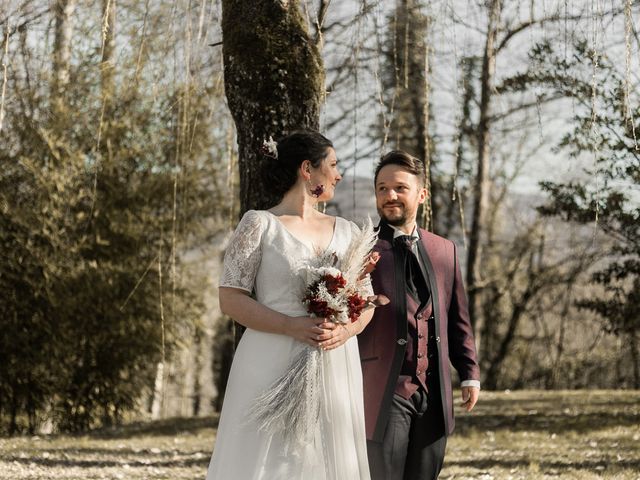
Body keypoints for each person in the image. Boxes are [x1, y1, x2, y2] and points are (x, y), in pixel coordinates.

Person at [206, 130, 373, 479]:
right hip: (269, 356)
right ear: (306, 169)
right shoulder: (260, 225)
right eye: (333, 164)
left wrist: (345, 331)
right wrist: (290, 325)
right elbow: (230, 298)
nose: (339, 174)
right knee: (269, 459)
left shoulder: (348, 231)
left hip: (333, 361)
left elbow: (367, 301)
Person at [358, 150, 481, 480]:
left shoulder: (445, 249)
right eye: (382, 188)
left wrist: (469, 371)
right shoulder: (360, 248)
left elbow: (457, 318)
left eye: (399, 187)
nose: (390, 196)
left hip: (434, 393)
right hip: (383, 390)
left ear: (422, 194)